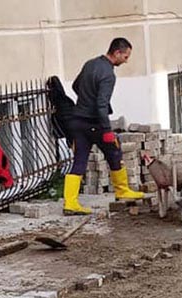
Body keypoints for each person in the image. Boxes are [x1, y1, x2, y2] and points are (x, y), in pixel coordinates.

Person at [62, 37, 145, 216]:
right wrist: (107, 130)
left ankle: (70, 203)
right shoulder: (108, 74)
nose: (126, 60)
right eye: (126, 56)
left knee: (79, 160)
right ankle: (122, 191)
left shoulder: (89, 64)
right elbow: (101, 104)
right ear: (117, 53)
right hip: (95, 123)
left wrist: (86, 99)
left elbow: (76, 86)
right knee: (114, 152)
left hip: (77, 121)